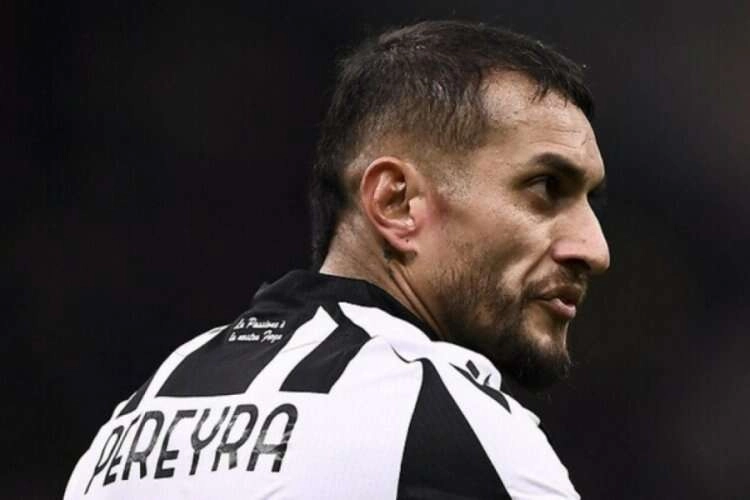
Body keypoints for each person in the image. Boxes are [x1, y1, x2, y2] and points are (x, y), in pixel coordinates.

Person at [65, 20, 609, 499]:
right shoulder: (449, 419)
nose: (595, 249)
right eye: (546, 187)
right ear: (396, 202)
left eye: (589, 201)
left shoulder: (132, 422)